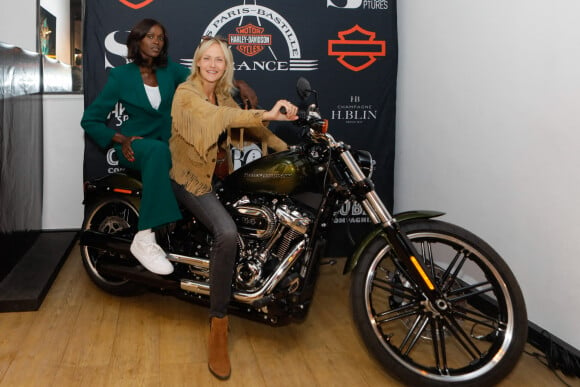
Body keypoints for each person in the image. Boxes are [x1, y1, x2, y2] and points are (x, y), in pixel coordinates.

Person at [81, 19, 258, 275]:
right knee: (157, 151)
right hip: (136, 147)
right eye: (150, 36)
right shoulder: (120, 76)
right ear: (137, 40)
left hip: (167, 147)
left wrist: (239, 84)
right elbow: (90, 120)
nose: (156, 41)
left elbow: (208, 79)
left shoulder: (171, 72)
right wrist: (121, 139)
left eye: (161, 37)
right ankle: (144, 238)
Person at [169, 36, 298, 380]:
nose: (213, 65)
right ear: (198, 61)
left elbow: (249, 125)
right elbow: (219, 117)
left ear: (226, 66)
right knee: (226, 233)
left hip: (216, 178)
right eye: (208, 58)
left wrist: (289, 150)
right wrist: (267, 112)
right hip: (189, 178)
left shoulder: (223, 94)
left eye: (220, 60)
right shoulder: (188, 94)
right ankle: (218, 323)